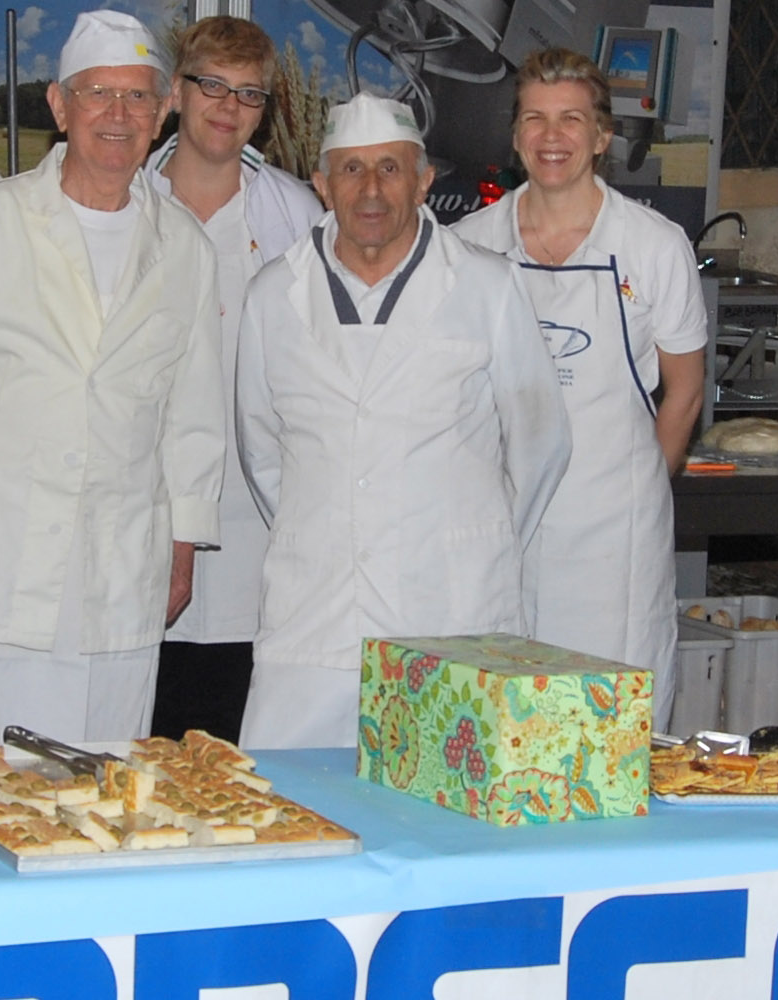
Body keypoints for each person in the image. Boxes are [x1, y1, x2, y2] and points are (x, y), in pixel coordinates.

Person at [0, 9, 226, 745]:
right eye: (96, 93)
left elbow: (193, 412)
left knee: (101, 793)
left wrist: (184, 543)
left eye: (136, 97)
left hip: (121, 567)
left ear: (163, 113)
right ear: (60, 107)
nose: (116, 114)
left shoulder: (185, 248)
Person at [237, 94, 570, 748]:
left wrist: (470, 539)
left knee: (449, 822)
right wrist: (336, 524)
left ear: (422, 181)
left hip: (450, 609)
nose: (369, 189)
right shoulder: (272, 294)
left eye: (390, 168)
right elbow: (261, 453)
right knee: (293, 812)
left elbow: (540, 445)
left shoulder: (486, 286)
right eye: (351, 169)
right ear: (321, 185)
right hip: (315, 614)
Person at [450, 50, 711, 681]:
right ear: (515, 138)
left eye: (571, 119)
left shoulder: (653, 246)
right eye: (534, 119)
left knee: (609, 719)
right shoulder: (470, 245)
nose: (551, 136)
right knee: (502, 713)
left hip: (612, 539)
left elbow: (684, 392)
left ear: (601, 137)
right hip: (499, 523)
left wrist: (639, 490)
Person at [141, 15, 321, 742]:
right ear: (176, 93)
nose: (226, 106)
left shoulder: (295, 214)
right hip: (143, 499)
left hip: (255, 513)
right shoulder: (128, 199)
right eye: (210, 85)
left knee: (232, 722)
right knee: (143, 727)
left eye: (247, 94)